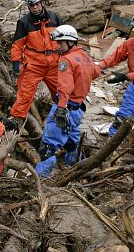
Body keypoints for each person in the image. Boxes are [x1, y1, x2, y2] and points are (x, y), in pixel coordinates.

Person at [35, 25, 101, 177]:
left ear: (70, 42)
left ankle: (40, 180)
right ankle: (75, 171)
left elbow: (65, 87)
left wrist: (61, 108)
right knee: (72, 142)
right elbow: (96, 72)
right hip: (78, 109)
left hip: (65, 108)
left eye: (61, 43)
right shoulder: (84, 56)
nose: (58, 46)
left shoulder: (66, 60)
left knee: (48, 146)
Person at [10, 0, 62, 127]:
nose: (35, 7)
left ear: (43, 2)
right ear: (28, 6)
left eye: (37, 4)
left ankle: (60, 120)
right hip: (33, 66)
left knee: (61, 93)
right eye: (32, 5)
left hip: (54, 65)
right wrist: (16, 63)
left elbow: (64, 39)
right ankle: (17, 123)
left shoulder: (55, 17)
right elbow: (17, 45)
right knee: (25, 95)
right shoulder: (24, 22)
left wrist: (68, 58)